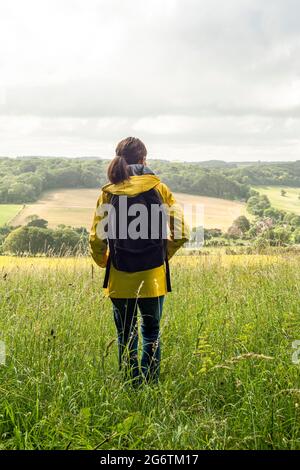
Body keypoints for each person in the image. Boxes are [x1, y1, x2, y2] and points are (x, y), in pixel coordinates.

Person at [89, 137, 189, 385]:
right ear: (144, 160)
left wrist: (104, 261)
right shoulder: (159, 188)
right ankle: (150, 383)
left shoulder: (107, 193)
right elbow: (183, 232)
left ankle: (130, 383)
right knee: (151, 332)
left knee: (125, 334)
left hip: (120, 275)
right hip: (153, 276)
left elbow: (97, 239)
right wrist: (163, 254)